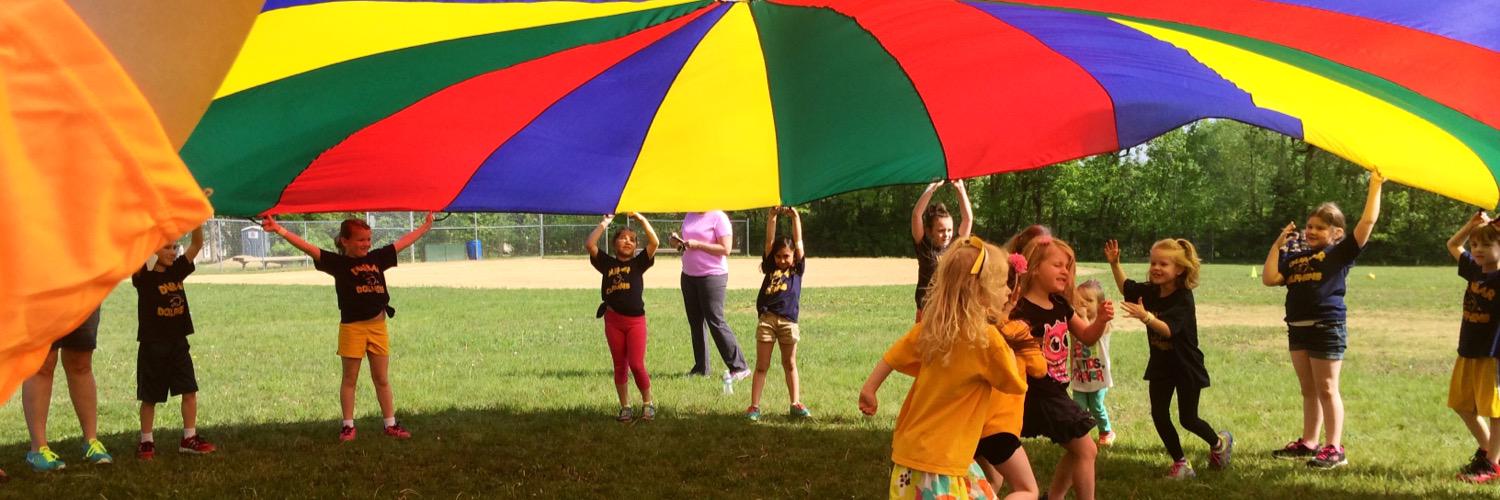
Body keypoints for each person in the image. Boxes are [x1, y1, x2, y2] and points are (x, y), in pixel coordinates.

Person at [859, 237, 1027, 499]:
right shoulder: (987, 340)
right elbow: (1014, 383)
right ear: (982, 291)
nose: (1008, 291)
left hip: (916, 457)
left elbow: (892, 356)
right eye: (1004, 284)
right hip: (942, 464)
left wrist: (869, 389)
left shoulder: (932, 328)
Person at [263, 213, 434, 441]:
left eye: (368, 239)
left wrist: (425, 227)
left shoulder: (377, 258)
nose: (366, 244)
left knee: (382, 378)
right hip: (352, 329)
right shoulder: (338, 264)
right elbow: (308, 248)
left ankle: (390, 423)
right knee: (349, 380)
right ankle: (348, 425)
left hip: (378, 328)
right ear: (345, 241)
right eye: (360, 240)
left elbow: (402, 242)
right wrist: (279, 230)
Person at [1261, 173, 1384, 469]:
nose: (1311, 231)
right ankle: (1309, 442)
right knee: (1308, 389)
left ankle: (1334, 448)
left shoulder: (1339, 253)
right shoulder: (1295, 256)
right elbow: (1269, 278)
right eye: (1310, 226)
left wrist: (1375, 186)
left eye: (1319, 227)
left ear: (1336, 233)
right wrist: (1277, 244)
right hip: (1298, 329)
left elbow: (1366, 224)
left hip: (1326, 327)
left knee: (1327, 388)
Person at [1106, 239, 1232, 479]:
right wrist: (1115, 264)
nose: (1156, 267)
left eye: (1163, 263)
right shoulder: (1152, 290)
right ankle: (1181, 463)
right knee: (1159, 414)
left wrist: (1146, 317)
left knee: (1188, 418)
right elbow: (1126, 288)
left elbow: (1168, 329)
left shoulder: (1183, 298)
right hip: (1161, 364)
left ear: (1180, 269)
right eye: (1153, 262)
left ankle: (1218, 443)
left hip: (1186, 366)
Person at [1008, 236, 1112, 499]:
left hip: (1055, 392)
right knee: (1086, 449)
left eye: (1068, 266)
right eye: (1057, 265)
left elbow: (1087, 336)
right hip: (1033, 392)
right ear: (1034, 267)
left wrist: (1099, 321)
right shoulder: (1020, 309)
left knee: (1081, 449)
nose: (1065, 271)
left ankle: (1054, 497)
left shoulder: (1061, 305)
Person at [132, 225, 217, 459]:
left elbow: (196, 245)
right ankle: (146, 441)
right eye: (167, 248)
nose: (173, 252)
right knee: (150, 397)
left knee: (189, 391)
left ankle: (189, 438)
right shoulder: (144, 276)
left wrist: (197, 221)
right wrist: (153, 246)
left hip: (178, 344)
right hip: (153, 345)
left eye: (174, 247)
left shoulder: (176, 270)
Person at [1443, 211, 1500, 483]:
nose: (1477, 250)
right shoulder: (1474, 270)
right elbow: (1453, 245)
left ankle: (1491, 464)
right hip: (1467, 350)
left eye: (1486, 245)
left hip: (1493, 355)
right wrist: (1472, 225)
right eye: (1476, 245)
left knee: (1495, 410)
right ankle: (1490, 451)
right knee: (1461, 404)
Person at [586, 213, 659, 422]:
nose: (627, 241)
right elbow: (590, 244)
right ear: (614, 242)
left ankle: (648, 403)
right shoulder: (607, 263)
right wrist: (605, 222)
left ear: (636, 247)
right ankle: (625, 406)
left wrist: (640, 219)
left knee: (636, 364)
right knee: (620, 365)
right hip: (613, 321)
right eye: (622, 237)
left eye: (632, 239)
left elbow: (655, 242)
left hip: (636, 322)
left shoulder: (639, 263)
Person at [22, 311, 112, 470]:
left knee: (81, 361)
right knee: (42, 363)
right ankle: (38, 449)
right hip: (42, 295)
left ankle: (91, 442)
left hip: (83, 292)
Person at [747, 207, 810, 421]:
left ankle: (795, 402)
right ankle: (754, 406)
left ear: (793, 257)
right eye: (779, 256)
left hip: (788, 322)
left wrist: (795, 217)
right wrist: (772, 217)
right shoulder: (770, 266)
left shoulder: (796, 270)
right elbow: (769, 241)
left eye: (786, 256)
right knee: (761, 365)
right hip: (767, 320)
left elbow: (799, 242)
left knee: (789, 363)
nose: (782, 260)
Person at [676, 210, 748, 381]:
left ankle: (739, 367)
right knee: (695, 322)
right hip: (688, 275)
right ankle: (701, 369)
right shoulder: (690, 215)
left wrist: (698, 244)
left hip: (712, 276)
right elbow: (687, 242)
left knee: (716, 321)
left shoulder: (718, 217)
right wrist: (678, 242)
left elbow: (726, 249)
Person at [911, 180, 973, 320]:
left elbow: (968, 219)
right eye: (941, 230)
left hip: (949, 314)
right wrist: (932, 187)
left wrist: (960, 188)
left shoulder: (955, 246)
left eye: (949, 230)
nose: (947, 234)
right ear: (929, 230)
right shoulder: (924, 247)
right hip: (926, 314)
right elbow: (916, 215)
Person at [1069, 280, 1115, 447]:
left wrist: (1081, 317)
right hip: (1080, 375)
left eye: (1089, 301)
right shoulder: (1074, 325)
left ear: (1100, 304)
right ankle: (1083, 437)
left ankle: (1106, 431)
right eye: (1080, 302)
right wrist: (1071, 366)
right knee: (1079, 408)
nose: (1084, 306)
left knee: (1096, 406)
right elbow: (1074, 346)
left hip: (1098, 376)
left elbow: (1089, 337)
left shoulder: (1103, 323)